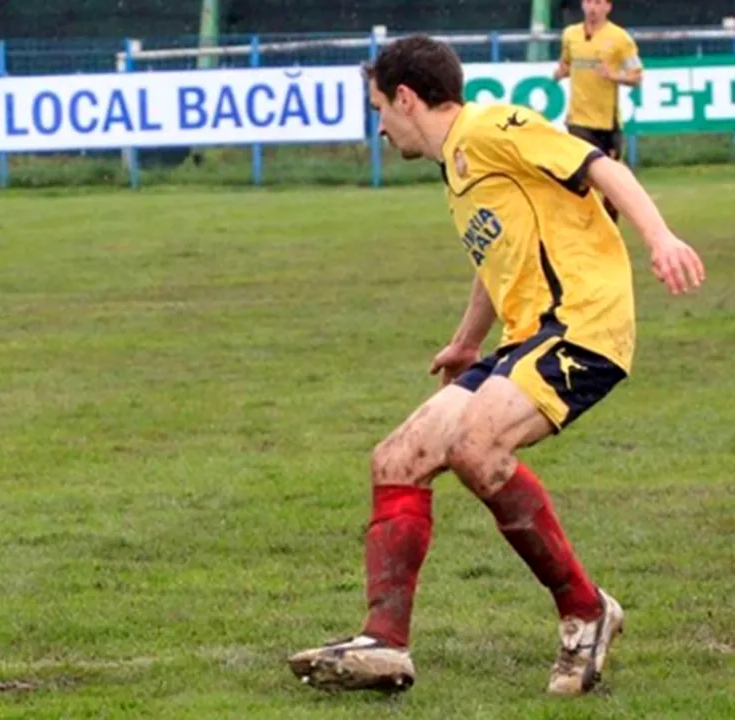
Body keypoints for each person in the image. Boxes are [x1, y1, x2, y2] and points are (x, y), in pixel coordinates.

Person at [288, 36, 705, 696]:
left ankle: (586, 611)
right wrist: (464, 343)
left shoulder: (492, 127)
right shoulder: (458, 164)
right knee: (397, 458)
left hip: (584, 324)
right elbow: (499, 259)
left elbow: (599, 166)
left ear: (406, 97)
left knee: (477, 443)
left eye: (380, 108)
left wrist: (661, 237)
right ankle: (384, 643)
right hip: (528, 337)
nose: (380, 125)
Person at [554, 0, 642, 223]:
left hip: (606, 123)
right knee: (578, 177)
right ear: (583, 5)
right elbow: (565, 63)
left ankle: (610, 227)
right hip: (577, 120)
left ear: (608, 7)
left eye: (599, 2)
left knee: (612, 183)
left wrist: (613, 76)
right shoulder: (570, 35)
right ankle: (583, 227)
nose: (593, 8)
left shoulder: (620, 38)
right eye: (589, 2)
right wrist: (560, 72)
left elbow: (636, 76)